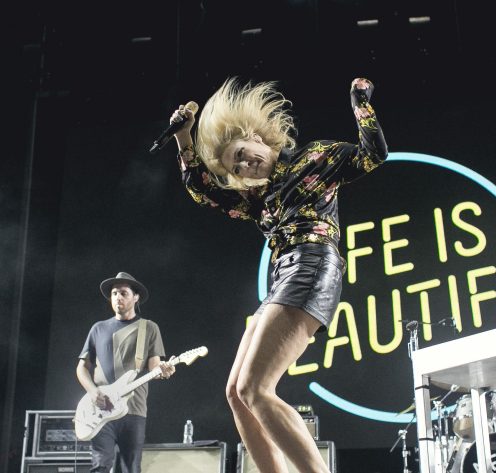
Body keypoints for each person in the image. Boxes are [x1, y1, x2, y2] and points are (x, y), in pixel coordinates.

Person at [169, 77, 387, 473]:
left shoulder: (315, 158)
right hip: (283, 276)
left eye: (242, 154)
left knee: (255, 388)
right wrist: (184, 137)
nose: (244, 165)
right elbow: (203, 191)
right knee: (236, 393)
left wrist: (361, 104)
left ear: (255, 137)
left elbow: (373, 155)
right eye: (236, 167)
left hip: (312, 262)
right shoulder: (258, 198)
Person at [76, 272, 175, 473]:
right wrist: (93, 392)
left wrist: (165, 370)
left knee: (130, 468)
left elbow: (155, 367)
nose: (117, 297)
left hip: (134, 409)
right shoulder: (98, 329)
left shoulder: (149, 328)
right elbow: (81, 368)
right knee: (100, 466)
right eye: (114, 293)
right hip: (101, 409)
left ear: (136, 297)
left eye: (123, 293)